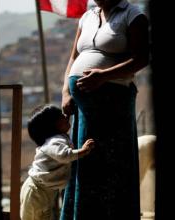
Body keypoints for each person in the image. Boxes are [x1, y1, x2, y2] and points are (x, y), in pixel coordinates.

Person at [60, 0, 149, 219]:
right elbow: (74, 58)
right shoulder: (87, 17)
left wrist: (104, 76)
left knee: (110, 164)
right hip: (84, 106)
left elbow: (142, 58)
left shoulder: (133, 15)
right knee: (86, 160)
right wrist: (66, 92)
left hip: (113, 103)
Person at [20, 104, 94, 220]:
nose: (65, 116)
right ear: (51, 126)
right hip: (36, 191)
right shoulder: (54, 141)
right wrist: (83, 151)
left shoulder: (59, 138)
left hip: (44, 191)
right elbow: (64, 155)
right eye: (60, 116)